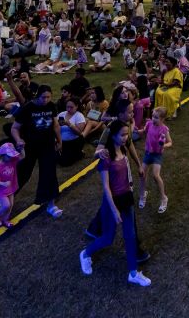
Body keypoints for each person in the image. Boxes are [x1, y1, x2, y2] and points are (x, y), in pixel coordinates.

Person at [79, 120, 151, 287]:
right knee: (107, 238)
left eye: (127, 134)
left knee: (130, 237)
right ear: (113, 135)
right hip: (112, 202)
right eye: (123, 134)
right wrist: (114, 210)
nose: (126, 137)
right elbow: (106, 187)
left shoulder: (124, 149)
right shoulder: (106, 157)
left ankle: (133, 273)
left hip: (127, 198)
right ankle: (85, 254)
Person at [11, 84, 64, 219]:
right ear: (37, 96)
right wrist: (18, 140)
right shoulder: (28, 108)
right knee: (23, 172)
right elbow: (15, 128)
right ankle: (8, 196)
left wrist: (59, 140)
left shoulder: (51, 106)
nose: (45, 100)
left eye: (48, 97)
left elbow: (56, 125)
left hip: (47, 145)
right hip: (30, 146)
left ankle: (51, 204)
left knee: (49, 173)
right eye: (43, 97)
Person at [139, 106, 172, 214]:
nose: (153, 119)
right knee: (142, 174)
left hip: (157, 155)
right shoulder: (149, 124)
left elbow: (170, 142)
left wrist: (164, 146)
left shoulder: (164, 129)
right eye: (153, 116)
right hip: (148, 153)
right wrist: (140, 131)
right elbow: (145, 131)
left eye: (156, 117)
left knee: (155, 175)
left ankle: (163, 198)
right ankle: (143, 194)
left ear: (162, 119)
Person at [0, 142, 21, 229]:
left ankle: (5, 220)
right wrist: (3, 183)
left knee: (10, 205)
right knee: (6, 205)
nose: (11, 157)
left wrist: (21, 148)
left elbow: (23, 157)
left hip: (10, 188)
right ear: (3, 155)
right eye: (9, 156)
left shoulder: (12, 160)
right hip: (1, 190)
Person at [55, 97, 87, 166]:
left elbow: (79, 133)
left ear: (77, 106)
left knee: (64, 162)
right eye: (67, 107)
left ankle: (79, 153)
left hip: (74, 142)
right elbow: (55, 128)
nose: (68, 109)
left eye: (71, 107)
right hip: (61, 141)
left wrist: (69, 124)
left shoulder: (79, 116)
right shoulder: (61, 114)